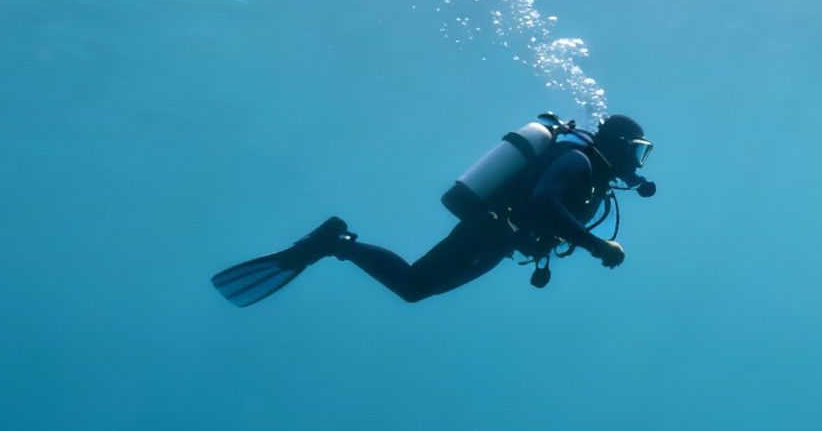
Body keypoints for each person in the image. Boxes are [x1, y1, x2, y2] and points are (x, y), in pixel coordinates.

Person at [212, 114, 656, 306]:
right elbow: (543, 203)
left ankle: (338, 243)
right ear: (617, 145)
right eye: (636, 153)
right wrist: (597, 245)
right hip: (491, 232)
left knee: (415, 287)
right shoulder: (577, 160)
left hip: (498, 238)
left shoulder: (587, 168)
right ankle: (337, 242)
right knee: (413, 285)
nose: (636, 165)